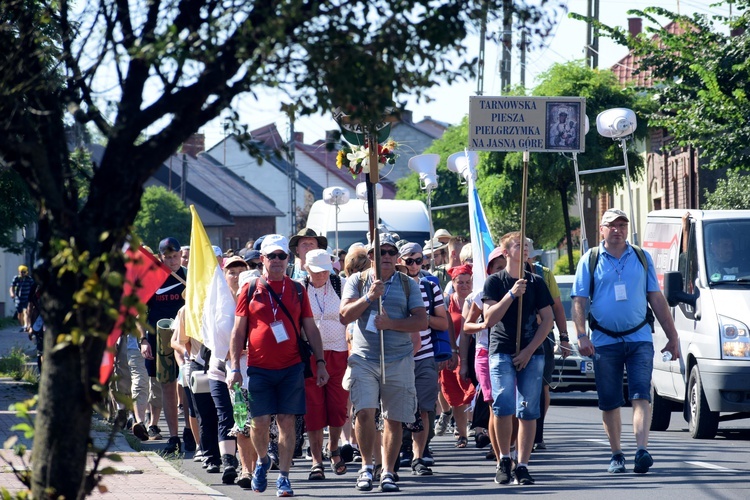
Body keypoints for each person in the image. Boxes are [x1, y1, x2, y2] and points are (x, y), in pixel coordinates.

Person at [571, 208, 680, 475]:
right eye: (612, 225)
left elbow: (656, 298)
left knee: (641, 394)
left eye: (622, 224)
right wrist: (582, 335)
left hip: (639, 337)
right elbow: (579, 301)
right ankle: (617, 454)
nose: (618, 229)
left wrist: (673, 336)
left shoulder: (642, 257)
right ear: (602, 229)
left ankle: (642, 450)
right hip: (604, 341)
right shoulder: (591, 259)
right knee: (610, 401)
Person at [228, 234, 329, 498]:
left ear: (288, 259)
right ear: (262, 259)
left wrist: (320, 362)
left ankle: (283, 476)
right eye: (271, 256)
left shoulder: (297, 289)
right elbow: (238, 331)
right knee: (259, 422)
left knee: (286, 421)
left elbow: (310, 328)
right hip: (258, 368)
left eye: (281, 256)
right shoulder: (250, 289)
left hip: (291, 367)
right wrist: (234, 368)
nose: (276, 260)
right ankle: (262, 460)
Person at [339, 232, 426, 493]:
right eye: (380, 252)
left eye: (390, 252)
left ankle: (388, 471)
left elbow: (421, 321)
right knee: (364, 412)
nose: (385, 256)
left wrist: (392, 325)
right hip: (364, 359)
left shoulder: (408, 284)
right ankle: (366, 467)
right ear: (370, 256)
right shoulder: (357, 280)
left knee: (393, 419)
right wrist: (368, 298)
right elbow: (344, 316)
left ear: (396, 257)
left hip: (398, 359)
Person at [483, 231, 555, 486]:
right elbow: (489, 319)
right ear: (505, 252)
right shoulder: (495, 282)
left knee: (528, 409)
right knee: (503, 403)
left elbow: (547, 319)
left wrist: (529, 350)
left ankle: (523, 464)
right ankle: (504, 458)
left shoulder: (536, 282)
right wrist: (511, 295)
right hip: (501, 349)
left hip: (531, 351)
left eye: (526, 245)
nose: (524, 248)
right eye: (517, 245)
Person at [396, 242, 448, 476]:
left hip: (425, 355)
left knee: (425, 408)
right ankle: (400, 450)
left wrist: (420, 316)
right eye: (409, 261)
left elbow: (443, 323)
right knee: (398, 409)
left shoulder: (430, 286)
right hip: (397, 356)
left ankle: (419, 455)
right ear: (400, 262)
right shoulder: (393, 285)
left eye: (419, 260)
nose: (415, 265)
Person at [301, 249, 348, 480]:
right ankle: (316, 459)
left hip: (339, 352)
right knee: (314, 408)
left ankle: (334, 447)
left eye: (325, 271)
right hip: (309, 354)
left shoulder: (341, 284)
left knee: (338, 407)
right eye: (317, 271)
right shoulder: (299, 288)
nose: (321, 276)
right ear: (306, 269)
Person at [524, 238, 572, 451]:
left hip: (543, 336)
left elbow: (558, 308)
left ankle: (538, 433)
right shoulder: (503, 274)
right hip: (515, 338)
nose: (525, 255)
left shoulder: (544, 274)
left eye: (527, 252)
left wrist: (564, 337)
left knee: (542, 385)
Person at [140, 236, 186, 454]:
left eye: (175, 256)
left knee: (187, 387)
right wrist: (142, 341)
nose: (173, 261)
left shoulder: (189, 276)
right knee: (167, 386)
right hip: (159, 339)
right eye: (168, 257)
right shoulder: (152, 279)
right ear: (160, 257)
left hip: (186, 339)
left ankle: (190, 432)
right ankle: (174, 437)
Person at [441, 265, 476, 449]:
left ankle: (479, 429)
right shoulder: (447, 302)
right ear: (453, 283)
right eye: (459, 282)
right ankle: (462, 434)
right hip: (452, 353)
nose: (464, 285)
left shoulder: (478, 299)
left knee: (476, 392)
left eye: (467, 282)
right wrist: (449, 352)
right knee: (456, 396)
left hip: (474, 353)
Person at [10, 265, 34, 332]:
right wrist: (12, 293)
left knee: (26, 311)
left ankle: (26, 325)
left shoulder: (29, 279)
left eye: (24, 272)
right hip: (18, 298)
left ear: (26, 272)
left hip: (26, 298)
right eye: (21, 272)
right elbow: (12, 286)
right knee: (19, 313)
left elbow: (33, 287)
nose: (22, 273)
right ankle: (22, 325)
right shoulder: (16, 278)